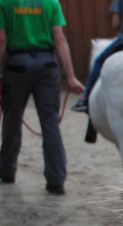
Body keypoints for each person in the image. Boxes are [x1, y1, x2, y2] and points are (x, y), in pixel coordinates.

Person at [0, 0, 84, 194]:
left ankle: (7, 170)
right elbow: (59, 39)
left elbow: (2, 40)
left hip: (17, 66)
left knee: (12, 120)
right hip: (46, 65)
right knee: (50, 123)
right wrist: (71, 77)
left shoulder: (5, 2)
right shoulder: (51, 2)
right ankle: (56, 180)